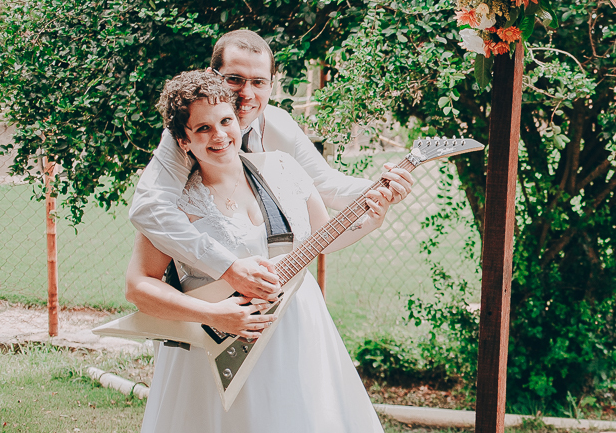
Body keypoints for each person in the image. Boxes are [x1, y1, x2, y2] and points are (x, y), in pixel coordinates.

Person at [108, 70, 418, 433]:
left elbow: (324, 237)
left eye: (226, 121)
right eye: (203, 129)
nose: (219, 135)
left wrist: (375, 211)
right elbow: (138, 287)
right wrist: (216, 314)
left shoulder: (279, 169)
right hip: (216, 356)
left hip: (299, 342)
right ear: (183, 141)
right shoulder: (174, 202)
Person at [129, 29, 412, 303]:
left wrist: (383, 187)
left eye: (259, 82)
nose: (247, 94)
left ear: (272, 84)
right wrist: (228, 268)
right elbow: (150, 208)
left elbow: (324, 184)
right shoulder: (185, 137)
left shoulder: (280, 125)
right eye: (234, 79)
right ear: (212, 76)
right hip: (214, 294)